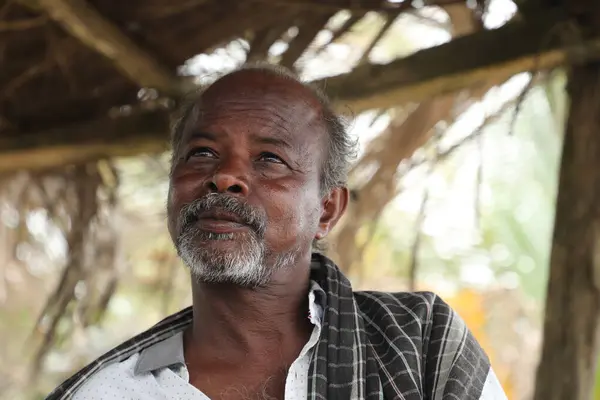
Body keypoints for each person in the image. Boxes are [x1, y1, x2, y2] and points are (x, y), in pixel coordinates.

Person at [46, 63, 507, 400]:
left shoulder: (418, 345)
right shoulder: (102, 392)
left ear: (327, 209)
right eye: (202, 153)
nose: (225, 176)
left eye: (270, 158)